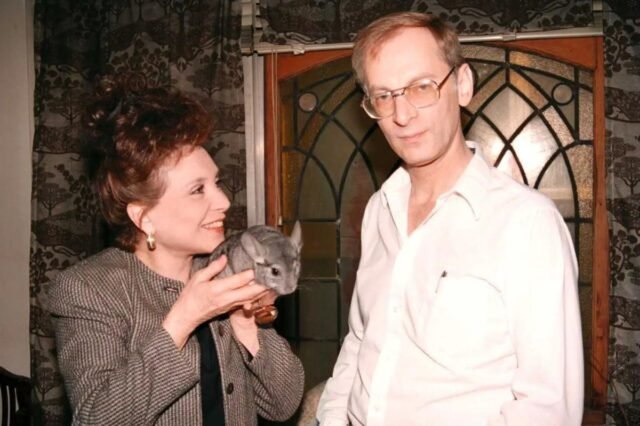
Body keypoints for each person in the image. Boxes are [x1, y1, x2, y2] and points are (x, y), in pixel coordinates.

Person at [316, 12, 584, 426]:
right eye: (383, 96)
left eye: (421, 87)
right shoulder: (379, 209)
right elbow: (361, 342)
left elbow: (547, 408)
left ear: (462, 85)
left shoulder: (527, 223)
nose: (402, 115)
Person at [48, 76, 304, 425]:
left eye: (216, 183)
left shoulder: (228, 267)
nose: (224, 201)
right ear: (144, 217)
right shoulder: (89, 289)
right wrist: (184, 319)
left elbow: (284, 404)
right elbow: (96, 417)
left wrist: (245, 323)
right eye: (198, 190)